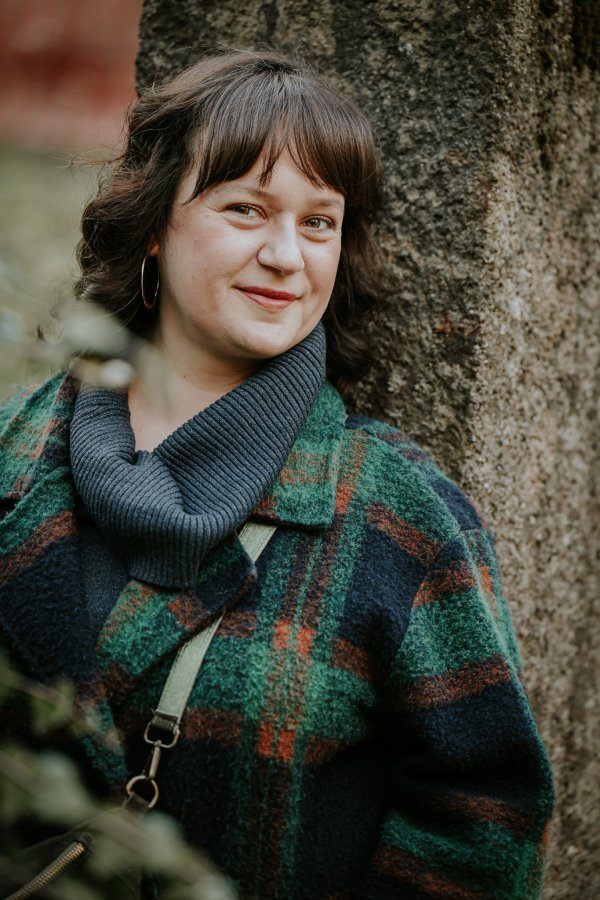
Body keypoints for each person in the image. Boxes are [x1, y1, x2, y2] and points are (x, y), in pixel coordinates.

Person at [0, 50, 553, 898]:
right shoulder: (14, 447)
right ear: (154, 222)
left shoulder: (404, 517)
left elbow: (485, 819)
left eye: (319, 222)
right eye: (246, 209)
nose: (288, 255)